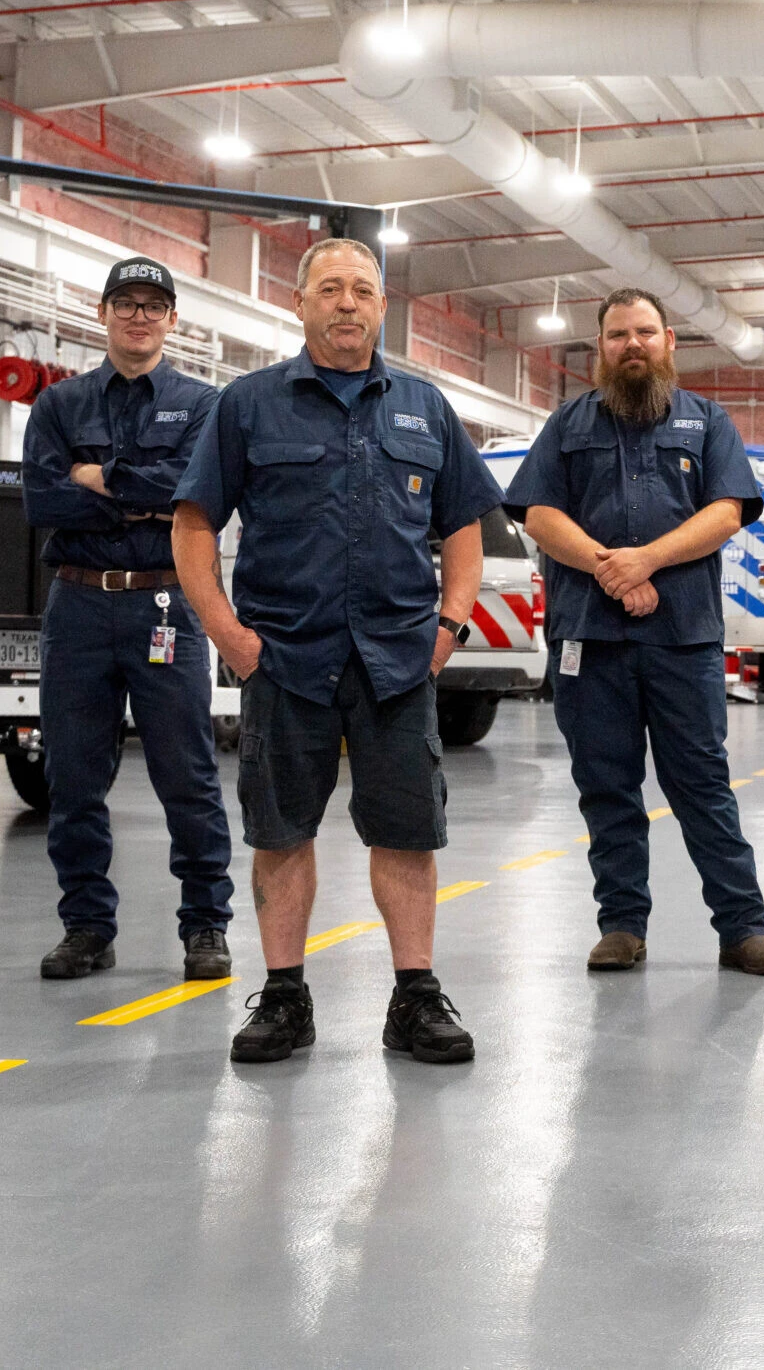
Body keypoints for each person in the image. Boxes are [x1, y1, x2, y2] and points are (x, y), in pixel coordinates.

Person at [172, 236, 504, 1067]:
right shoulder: (246, 405)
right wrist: (231, 638)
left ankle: (415, 996)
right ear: (301, 302)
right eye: (330, 288)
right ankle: (284, 994)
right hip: (284, 658)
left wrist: (450, 627)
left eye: (362, 288)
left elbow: (465, 525)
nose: (347, 302)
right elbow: (193, 525)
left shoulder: (424, 408)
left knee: (408, 834)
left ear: (383, 305)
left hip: (396, 659)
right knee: (281, 831)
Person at [504, 286, 764, 977]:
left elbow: (727, 512)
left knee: (702, 784)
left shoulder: (705, 422)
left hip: (682, 639)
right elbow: (538, 514)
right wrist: (612, 569)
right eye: (616, 335)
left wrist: (646, 560)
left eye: (643, 332)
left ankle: (742, 928)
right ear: (600, 349)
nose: (631, 344)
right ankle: (622, 925)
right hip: (590, 640)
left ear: (670, 342)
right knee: (606, 785)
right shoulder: (568, 425)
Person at [20, 256, 231, 983]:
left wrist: (98, 476)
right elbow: (42, 502)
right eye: (126, 302)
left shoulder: (203, 405)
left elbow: (196, 493)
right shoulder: (59, 405)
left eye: (153, 304)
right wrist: (142, 491)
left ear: (173, 319)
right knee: (73, 774)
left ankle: (205, 923)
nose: (139, 314)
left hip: (167, 599)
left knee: (187, 772)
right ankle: (86, 926)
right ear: (104, 311)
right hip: (77, 603)